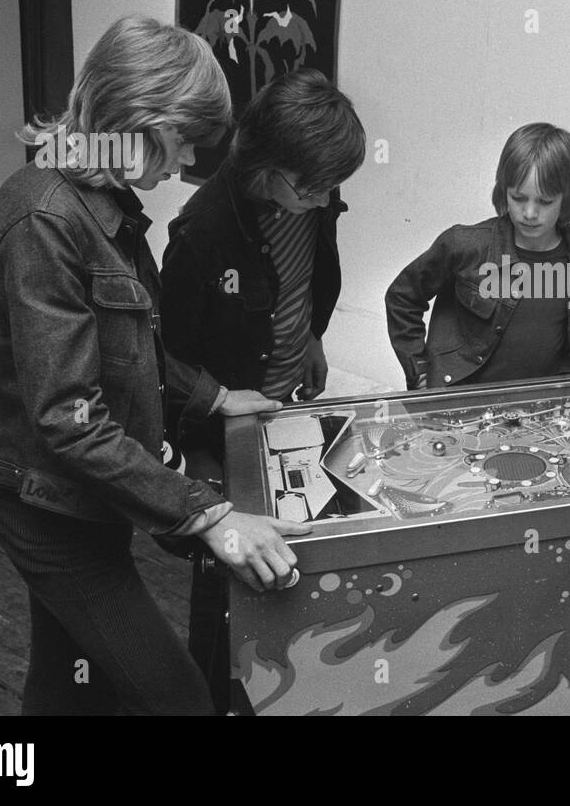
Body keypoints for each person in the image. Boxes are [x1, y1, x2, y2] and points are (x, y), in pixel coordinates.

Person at [0, 14, 310, 716]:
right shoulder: (43, 220)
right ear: (139, 117)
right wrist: (211, 515)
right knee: (177, 698)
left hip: (82, 505)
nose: (182, 164)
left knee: (65, 691)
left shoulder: (104, 208)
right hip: (49, 515)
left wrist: (217, 399)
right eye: (181, 140)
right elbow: (70, 419)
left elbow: (136, 356)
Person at [159, 67, 366, 712]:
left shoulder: (315, 196)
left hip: (285, 402)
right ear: (271, 170)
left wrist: (313, 336)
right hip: (225, 427)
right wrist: (220, 403)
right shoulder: (200, 235)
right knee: (225, 577)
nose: (327, 197)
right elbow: (163, 358)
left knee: (288, 557)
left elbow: (317, 273)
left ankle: (290, 685)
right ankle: (218, 693)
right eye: (315, 188)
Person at [385, 122, 570, 390]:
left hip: (544, 403)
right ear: (503, 190)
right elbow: (402, 297)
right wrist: (419, 370)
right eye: (518, 198)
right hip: (467, 403)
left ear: (567, 197)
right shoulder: (464, 245)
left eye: (545, 201)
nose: (529, 213)